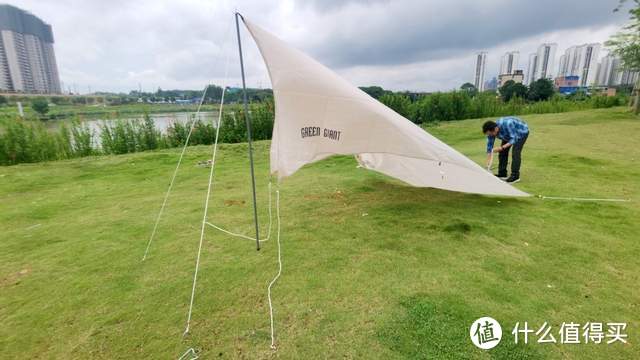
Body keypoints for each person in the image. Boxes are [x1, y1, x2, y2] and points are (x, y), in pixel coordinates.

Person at [482, 116, 529, 183]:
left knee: (515, 153)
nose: (490, 136)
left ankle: (515, 176)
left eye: (491, 134)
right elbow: (489, 147)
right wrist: (488, 163)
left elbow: (514, 139)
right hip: (508, 134)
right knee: (502, 153)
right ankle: (502, 173)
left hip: (521, 132)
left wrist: (502, 147)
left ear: (495, 129)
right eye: (489, 134)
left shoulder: (508, 123)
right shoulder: (490, 132)